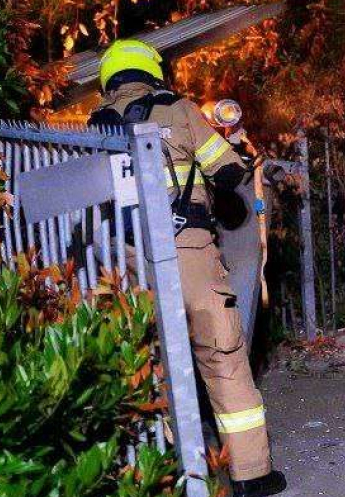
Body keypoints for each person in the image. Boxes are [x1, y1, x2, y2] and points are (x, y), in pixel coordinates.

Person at [89, 39, 286, 497]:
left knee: (150, 363)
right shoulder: (176, 109)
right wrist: (233, 144)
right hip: (187, 250)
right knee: (223, 357)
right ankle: (252, 474)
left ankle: (162, 476)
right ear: (151, 72)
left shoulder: (97, 121)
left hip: (128, 258)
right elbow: (230, 172)